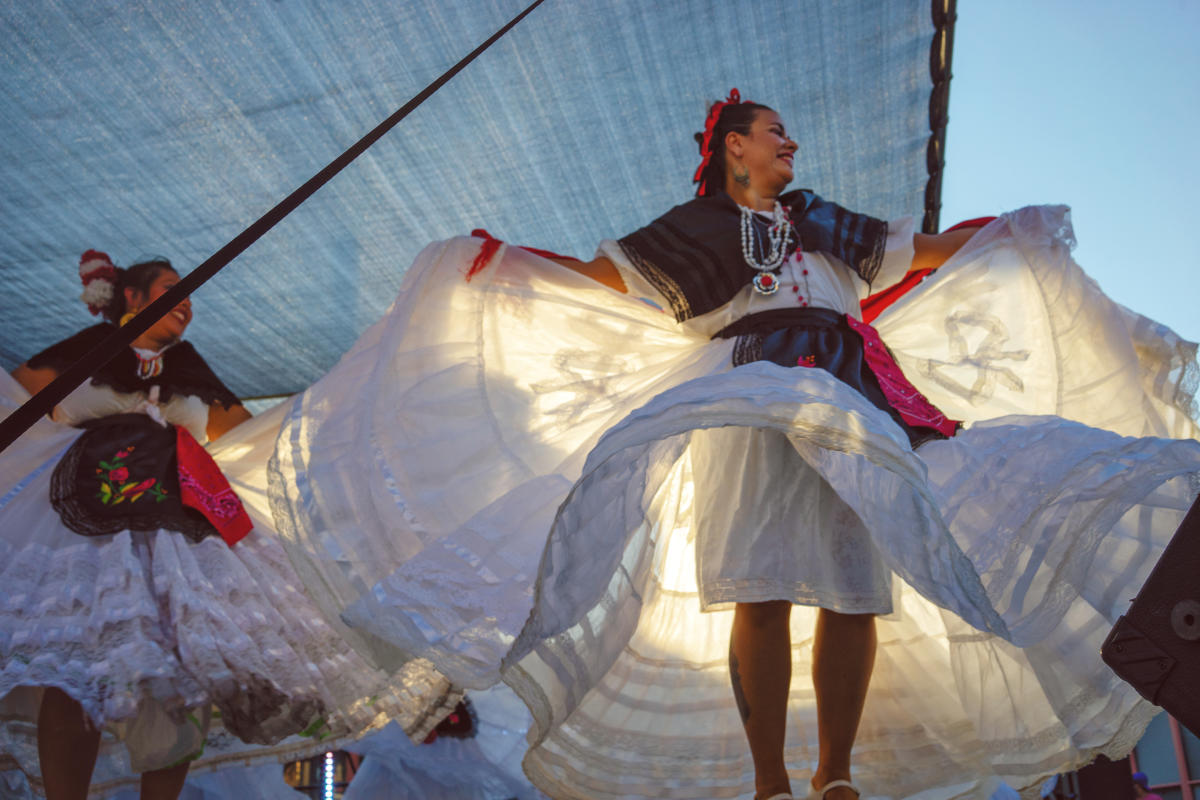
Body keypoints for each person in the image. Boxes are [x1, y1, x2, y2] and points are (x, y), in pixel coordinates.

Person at [266, 91, 1200, 800]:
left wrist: (1004, 232)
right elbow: (603, 276)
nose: (790, 142)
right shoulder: (697, 228)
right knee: (758, 580)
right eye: (774, 131)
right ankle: (769, 781)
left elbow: (919, 252)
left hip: (851, 389)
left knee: (853, 581)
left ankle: (832, 772)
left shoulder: (827, 220)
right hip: (750, 380)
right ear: (733, 147)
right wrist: (503, 260)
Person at [0, 251, 458, 799]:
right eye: (173, 289)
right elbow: (16, 404)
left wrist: (340, 412)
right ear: (132, 296)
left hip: (182, 529)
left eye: (190, 295)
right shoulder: (83, 354)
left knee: (190, 667)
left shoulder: (190, 368)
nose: (186, 303)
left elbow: (252, 435)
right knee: (83, 660)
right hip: (90, 529)